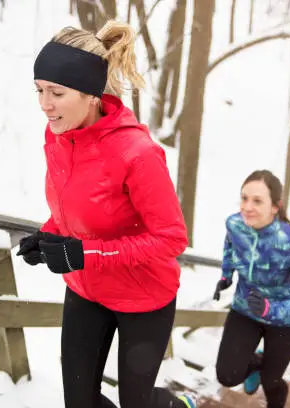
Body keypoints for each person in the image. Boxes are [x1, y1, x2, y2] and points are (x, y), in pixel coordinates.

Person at [16, 20, 195, 408]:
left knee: (137, 403)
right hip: (86, 289)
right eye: (40, 91)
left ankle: (176, 405)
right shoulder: (59, 137)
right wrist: (48, 235)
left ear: (91, 95)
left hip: (144, 296)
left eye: (57, 92)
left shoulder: (138, 153)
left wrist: (85, 254)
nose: (45, 105)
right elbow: (73, 210)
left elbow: (172, 238)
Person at [212, 170, 290, 408]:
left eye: (257, 201)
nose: (247, 207)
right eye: (244, 198)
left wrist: (270, 309)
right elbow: (229, 244)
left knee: (272, 380)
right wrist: (226, 275)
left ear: (275, 207)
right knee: (227, 376)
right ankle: (255, 364)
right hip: (245, 309)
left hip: (284, 321)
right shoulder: (234, 224)